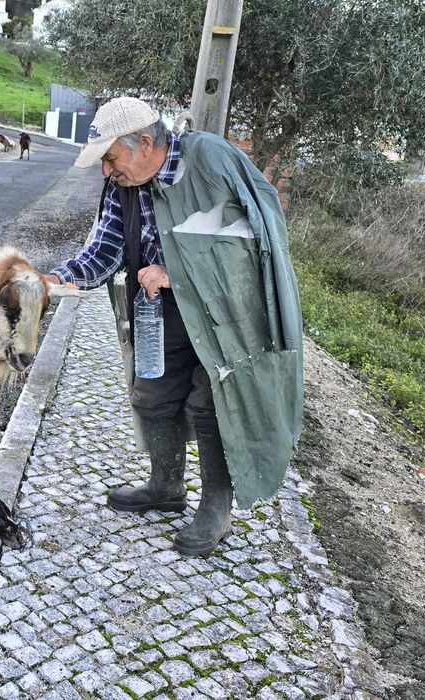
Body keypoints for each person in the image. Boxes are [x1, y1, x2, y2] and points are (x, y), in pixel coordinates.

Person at [46, 97, 303, 556]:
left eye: (110, 159)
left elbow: (256, 241)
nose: (107, 171)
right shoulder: (126, 183)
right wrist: (58, 279)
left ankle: (216, 509)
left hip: (224, 315)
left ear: (145, 143)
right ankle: (166, 487)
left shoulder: (212, 160)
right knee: (151, 394)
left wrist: (176, 272)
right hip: (160, 310)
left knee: (212, 405)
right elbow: (105, 249)